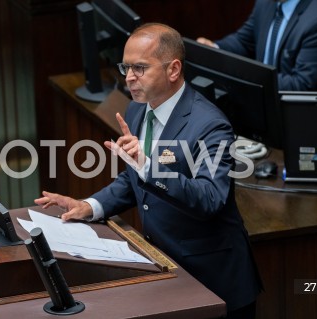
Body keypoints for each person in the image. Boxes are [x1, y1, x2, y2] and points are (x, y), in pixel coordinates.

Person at [35, 23, 263, 318]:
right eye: (126, 67)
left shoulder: (211, 126)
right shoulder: (137, 109)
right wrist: (91, 205)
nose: (129, 78)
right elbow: (134, 179)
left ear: (173, 70)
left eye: (140, 68)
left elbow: (210, 199)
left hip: (214, 282)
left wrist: (149, 167)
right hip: (167, 270)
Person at [197, 0, 317, 91]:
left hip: (308, 124)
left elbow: (301, 85)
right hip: (265, 114)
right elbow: (244, 41)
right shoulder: (266, 3)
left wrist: (242, 74)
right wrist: (214, 49)